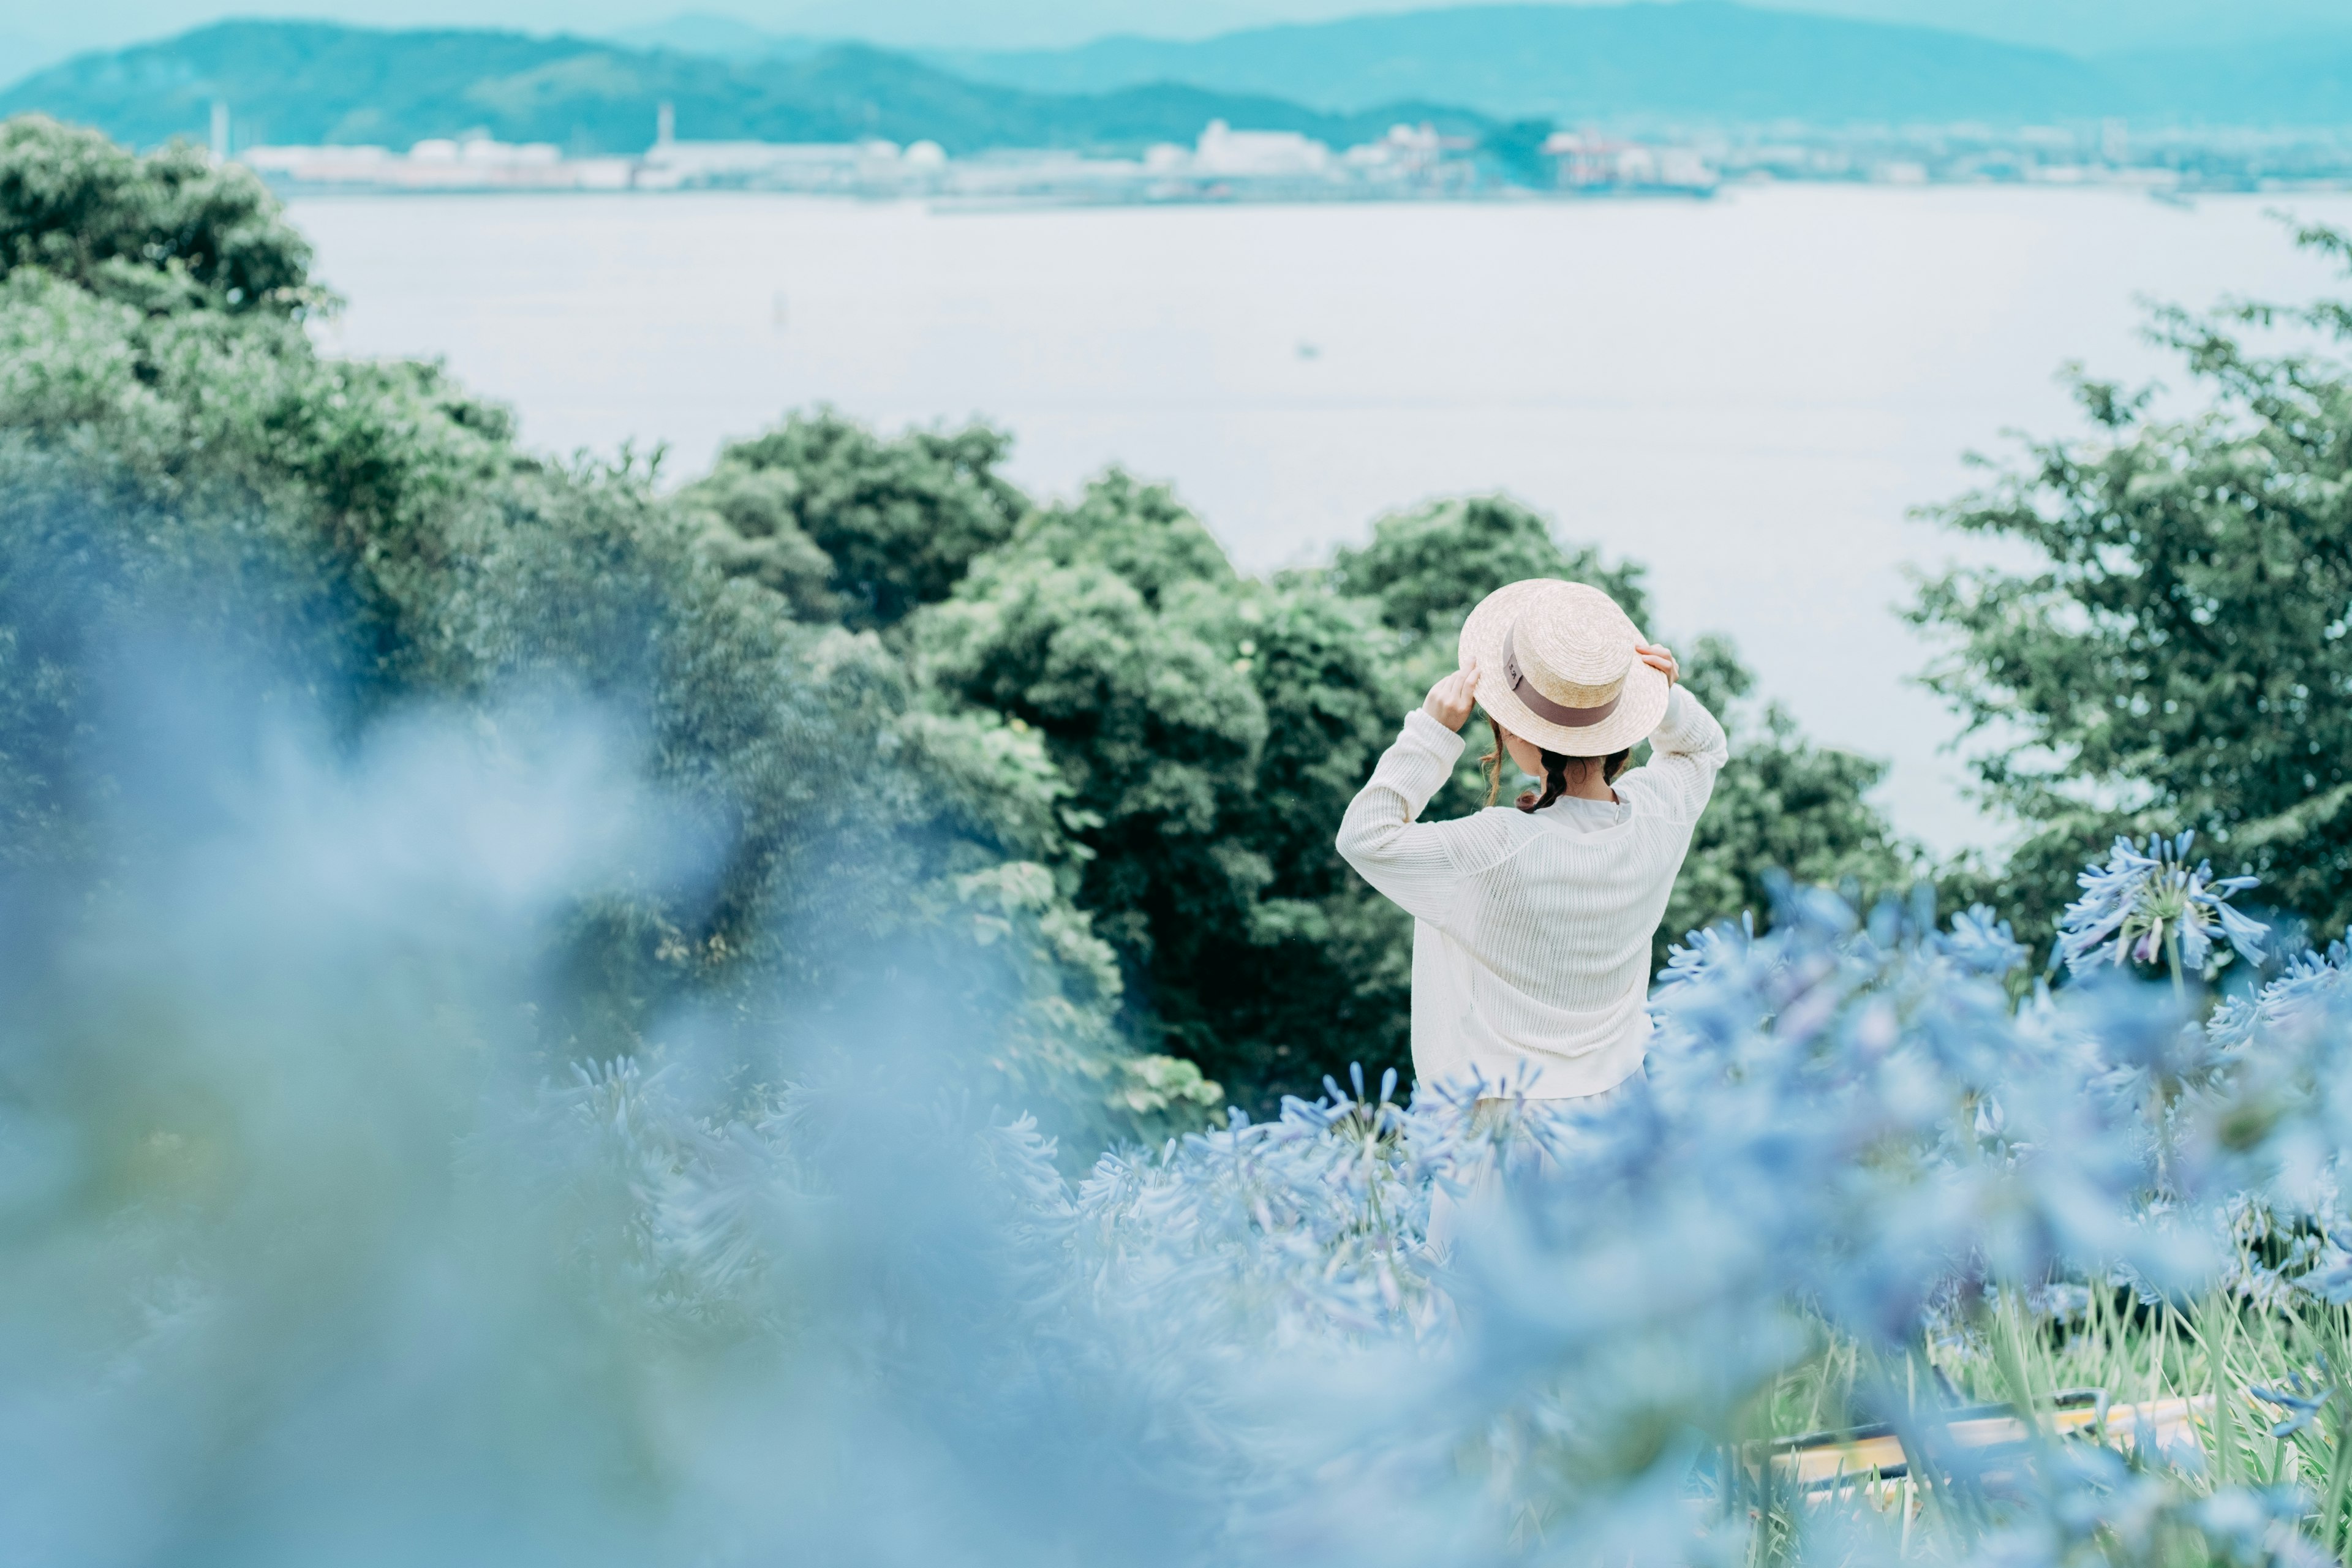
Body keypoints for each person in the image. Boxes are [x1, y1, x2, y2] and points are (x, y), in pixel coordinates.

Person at [1335, 578, 1729, 1250]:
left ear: (1518, 735)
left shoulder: (1492, 846)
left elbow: (1364, 836)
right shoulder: (1658, 815)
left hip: (1506, 1136)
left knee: (1487, 1332)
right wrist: (1668, 698)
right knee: (1605, 1331)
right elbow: (1704, 747)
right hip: (1622, 1117)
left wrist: (1432, 733)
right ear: (1621, 723)